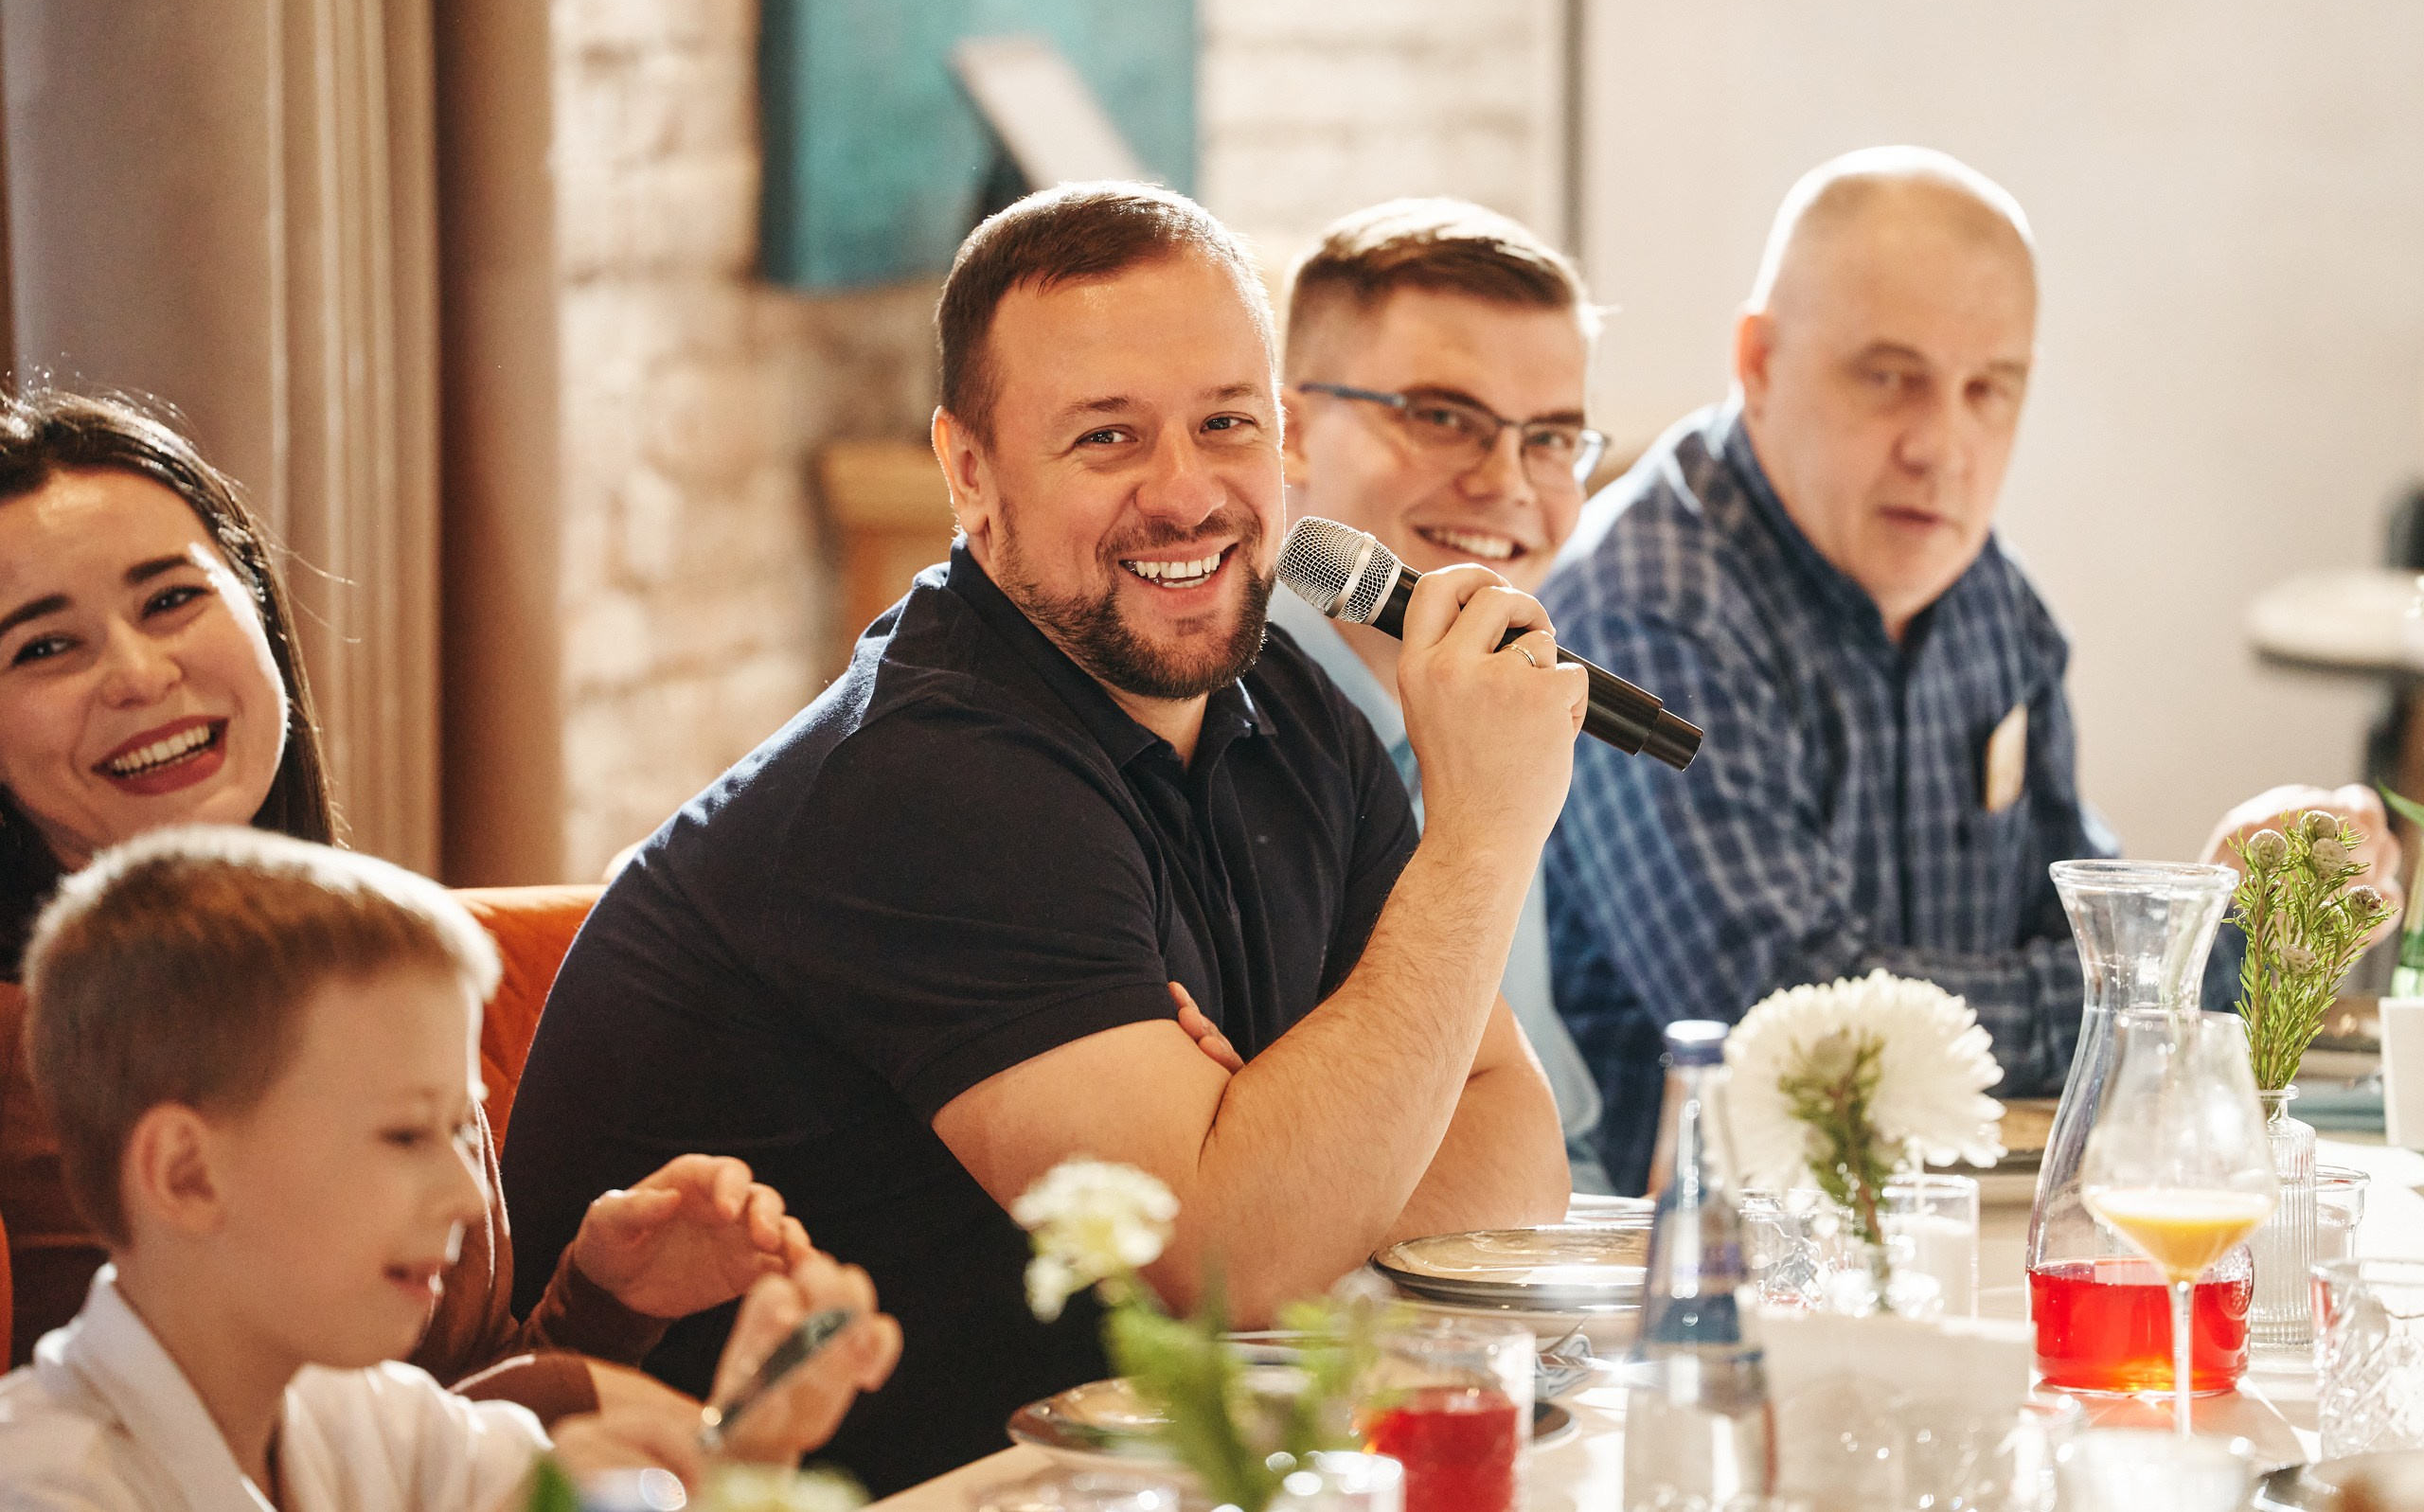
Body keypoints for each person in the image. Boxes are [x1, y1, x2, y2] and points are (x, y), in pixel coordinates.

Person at [502, 183, 1579, 1493]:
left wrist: (1290, 1159)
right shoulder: (932, 774)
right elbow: (1230, 1261)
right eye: (1107, 437)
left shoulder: (1289, 708)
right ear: (970, 472)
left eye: (1226, 422)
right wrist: (1477, 841)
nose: (1185, 493)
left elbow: (1516, 1146)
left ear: (1285, 434)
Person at [1542, 146, 2402, 1194]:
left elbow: (2065, 920)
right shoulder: (1648, 607)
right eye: (1889, 377)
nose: (1941, 447)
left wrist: (2233, 882)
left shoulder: (1992, 597)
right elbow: (1793, 1018)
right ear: (1759, 360)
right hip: (1692, 1278)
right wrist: (2189, 956)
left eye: (1988, 389)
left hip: (1959, 1226)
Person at [0, 390, 819, 1424]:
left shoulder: (366, 978)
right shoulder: (47, 1059)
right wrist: (580, 1382)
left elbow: (426, 1437)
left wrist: (604, 1299)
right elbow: (208, 1453)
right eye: (42, 648)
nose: (139, 672)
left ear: (254, 602)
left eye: (170, 599)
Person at [0, 827, 900, 1506]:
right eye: (402, 1136)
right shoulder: (45, 1483)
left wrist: (745, 1450)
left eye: (461, 1133)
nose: (468, 1195)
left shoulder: (375, 1417)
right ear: (188, 1175)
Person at [1275, 197, 1611, 1191]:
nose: (1506, 482)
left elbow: (1563, 1138)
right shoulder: (1228, 725)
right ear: (1288, 430)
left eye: (1550, 437)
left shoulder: (1490, 706)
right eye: (1442, 418)